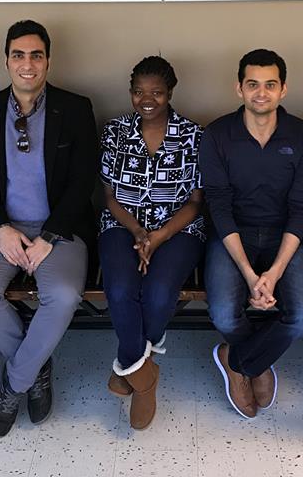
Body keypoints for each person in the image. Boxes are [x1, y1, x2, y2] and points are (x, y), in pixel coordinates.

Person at [0, 19, 97, 437]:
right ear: (6, 61)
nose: (27, 63)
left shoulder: (75, 108)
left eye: (36, 55)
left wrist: (50, 236)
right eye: (18, 55)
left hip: (60, 228)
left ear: (48, 61)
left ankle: (15, 383)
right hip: (1, 227)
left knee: (64, 295)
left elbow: (83, 179)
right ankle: (36, 366)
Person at [199, 48, 303, 419]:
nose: (261, 93)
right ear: (239, 88)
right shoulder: (218, 135)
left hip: (286, 237)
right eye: (253, 84)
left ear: (283, 89)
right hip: (232, 236)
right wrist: (252, 277)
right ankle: (260, 363)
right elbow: (219, 207)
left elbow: (301, 207)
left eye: (270, 84)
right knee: (223, 315)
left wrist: (274, 272)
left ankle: (240, 361)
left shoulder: (302, 135)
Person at [98, 56, 205, 429]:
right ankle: (144, 379)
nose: (147, 100)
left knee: (159, 293)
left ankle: (129, 363)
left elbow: (195, 202)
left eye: (156, 92)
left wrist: (158, 236)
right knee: (120, 288)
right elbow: (110, 196)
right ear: (131, 93)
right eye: (139, 92)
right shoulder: (115, 131)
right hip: (121, 224)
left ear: (170, 93)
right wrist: (138, 233)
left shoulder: (193, 135)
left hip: (178, 228)